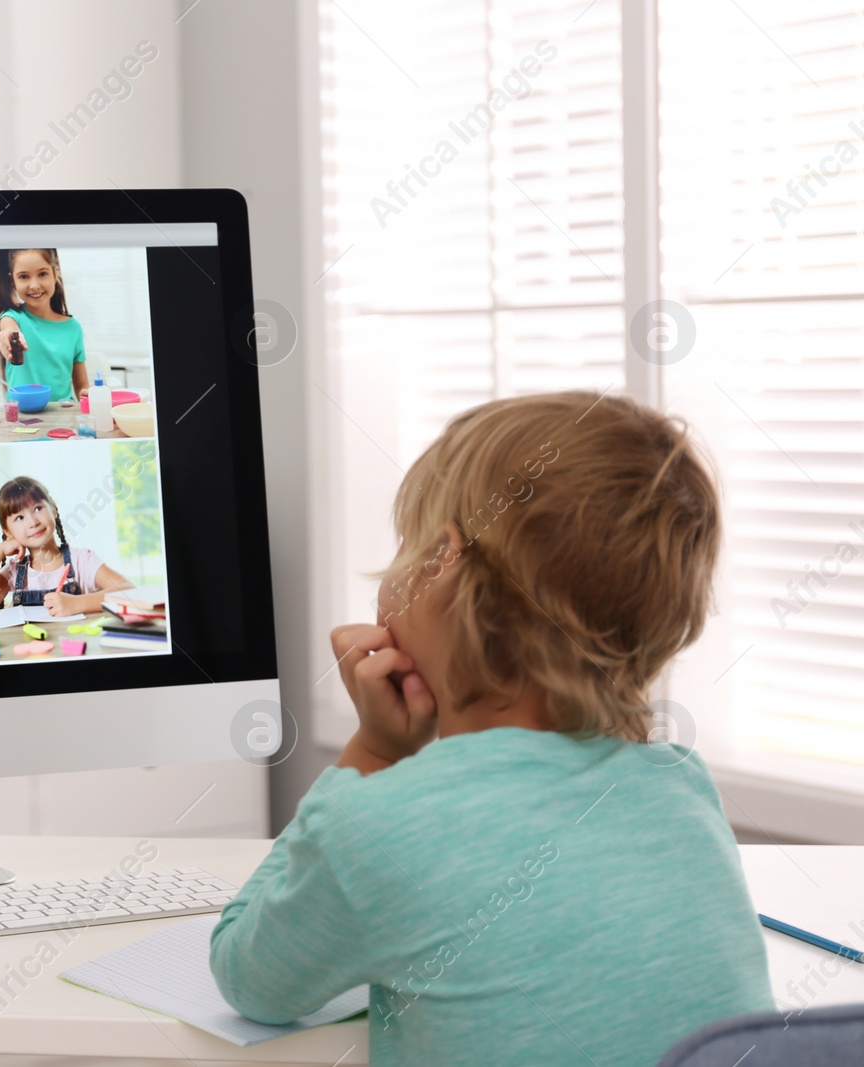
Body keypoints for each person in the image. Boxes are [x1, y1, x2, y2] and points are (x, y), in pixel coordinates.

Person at [210, 391, 774, 1066]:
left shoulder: (379, 825)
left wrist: (375, 751)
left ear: (441, 563)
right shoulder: (680, 785)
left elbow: (249, 975)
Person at [0, 476, 131, 617]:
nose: (33, 522)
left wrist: (78, 603)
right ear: (8, 531)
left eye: (37, 508)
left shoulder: (81, 560)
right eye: (19, 518)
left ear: (53, 509)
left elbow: (129, 590)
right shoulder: (14, 573)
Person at [0, 248, 88, 401]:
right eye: (24, 276)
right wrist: (8, 333)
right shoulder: (12, 316)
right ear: (13, 281)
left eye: (43, 274)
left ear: (55, 274)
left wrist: (89, 394)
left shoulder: (73, 327)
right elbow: (8, 327)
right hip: (20, 415)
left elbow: (82, 384)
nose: (34, 285)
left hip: (61, 414)